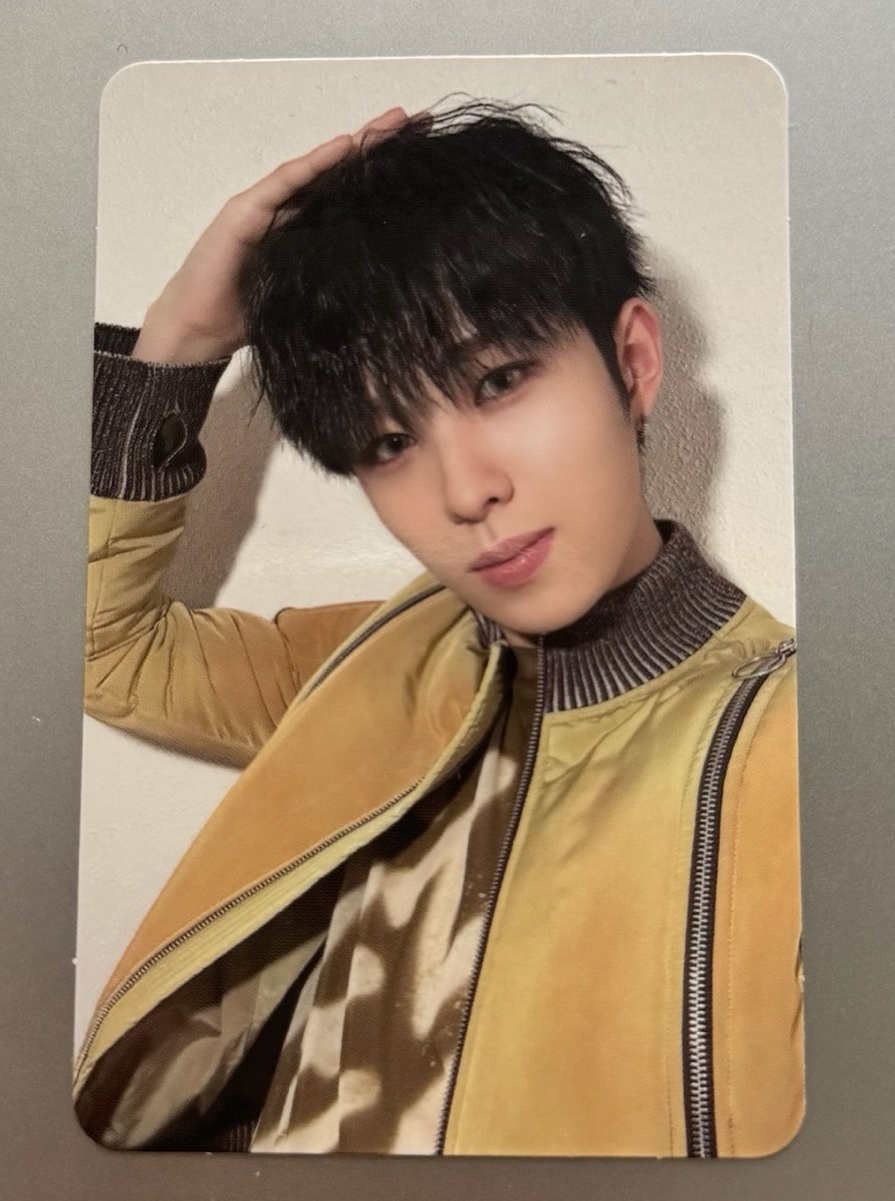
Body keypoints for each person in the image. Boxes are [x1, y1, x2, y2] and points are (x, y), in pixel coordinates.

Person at [74, 101, 804, 1157]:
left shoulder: (807, 754)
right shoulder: (372, 661)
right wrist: (177, 346)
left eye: (498, 381)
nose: (464, 491)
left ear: (634, 360)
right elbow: (100, 647)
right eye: (387, 441)